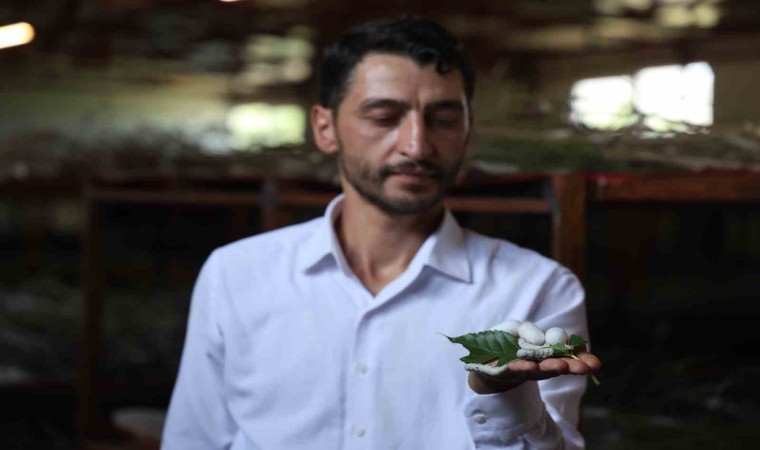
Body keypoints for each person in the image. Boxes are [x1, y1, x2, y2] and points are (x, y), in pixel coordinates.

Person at [162, 16, 601, 450]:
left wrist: (501, 396)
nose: (416, 145)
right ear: (325, 128)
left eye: (444, 120)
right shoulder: (235, 274)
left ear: (468, 132)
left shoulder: (536, 288)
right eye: (384, 117)